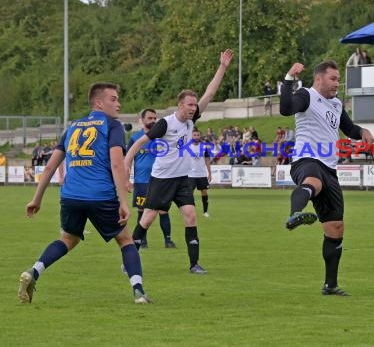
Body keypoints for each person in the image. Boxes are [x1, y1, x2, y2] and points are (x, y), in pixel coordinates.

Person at [20, 82, 151, 304]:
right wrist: (123, 201)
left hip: (71, 196)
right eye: (113, 99)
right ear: (99, 102)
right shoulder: (112, 125)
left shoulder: (72, 127)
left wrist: (36, 198)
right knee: (126, 240)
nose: (118, 103)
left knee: (68, 239)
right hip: (101, 195)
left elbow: (50, 167)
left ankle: (33, 272)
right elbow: (117, 164)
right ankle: (138, 291)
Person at [124, 49, 233, 275]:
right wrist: (126, 165)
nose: (194, 107)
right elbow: (139, 143)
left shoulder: (191, 120)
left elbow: (210, 94)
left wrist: (222, 67)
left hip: (183, 180)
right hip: (162, 179)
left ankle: (194, 265)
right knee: (147, 218)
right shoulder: (165, 123)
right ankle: (129, 261)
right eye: (190, 104)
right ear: (180, 105)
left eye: (195, 105)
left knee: (191, 217)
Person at [280, 60, 374, 296]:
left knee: (336, 228)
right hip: (306, 160)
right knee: (313, 183)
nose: (337, 83)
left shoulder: (336, 104)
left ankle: (330, 285)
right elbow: (285, 108)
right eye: (333, 79)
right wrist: (289, 79)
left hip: (330, 168)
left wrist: (363, 132)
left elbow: (349, 128)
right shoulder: (306, 95)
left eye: (338, 79)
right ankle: (294, 215)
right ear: (319, 79)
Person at [127, 108, 176, 248]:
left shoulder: (162, 137)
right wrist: (126, 179)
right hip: (142, 181)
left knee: (163, 210)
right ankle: (142, 241)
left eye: (155, 118)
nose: (153, 121)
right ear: (142, 120)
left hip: (161, 180)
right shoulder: (135, 138)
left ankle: (168, 240)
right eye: (150, 118)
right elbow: (128, 159)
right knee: (142, 210)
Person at [187, 128, 212, 218]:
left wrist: (209, 172)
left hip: (202, 174)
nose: (196, 137)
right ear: (191, 136)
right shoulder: (187, 147)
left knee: (204, 192)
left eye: (198, 135)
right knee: (190, 193)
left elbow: (207, 160)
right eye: (195, 135)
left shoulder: (204, 146)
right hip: (190, 175)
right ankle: (191, 211)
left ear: (200, 136)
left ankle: (205, 211)